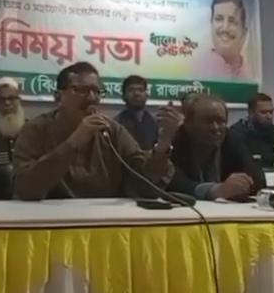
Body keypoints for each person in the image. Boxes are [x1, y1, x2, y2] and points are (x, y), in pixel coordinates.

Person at [13, 62, 180, 200]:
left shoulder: (111, 130)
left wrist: (163, 145)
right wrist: (73, 143)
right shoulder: (35, 130)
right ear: (58, 96)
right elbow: (25, 189)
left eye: (97, 91)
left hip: (104, 221)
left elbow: (145, 183)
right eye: (81, 90)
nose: (92, 98)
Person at [169, 94, 266, 200]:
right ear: (188, 123)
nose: (215, 128)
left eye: (221, 121)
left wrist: (243, 184)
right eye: (208, 121)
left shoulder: (232, 139)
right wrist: (215, 190)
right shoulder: (174, 140)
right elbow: (171, 182)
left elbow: (258, 180)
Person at [192, 0, 250, 78]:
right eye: (219, 19)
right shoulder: (198, 69)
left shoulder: (251, 76)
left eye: (232, 21)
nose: (225, 27)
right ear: (211, 25)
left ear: (244, 33)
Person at [229, 92, 274, 170]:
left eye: (271, 112)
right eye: (263, 112)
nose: (269, 116)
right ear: (251, 113)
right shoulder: (235, 134)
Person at [114, 75, 158, 151]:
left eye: (140, 90)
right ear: (123, 96)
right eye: (131, 90)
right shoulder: (116, 124)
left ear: (147, 96)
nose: (136, 94)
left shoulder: (156, 123)